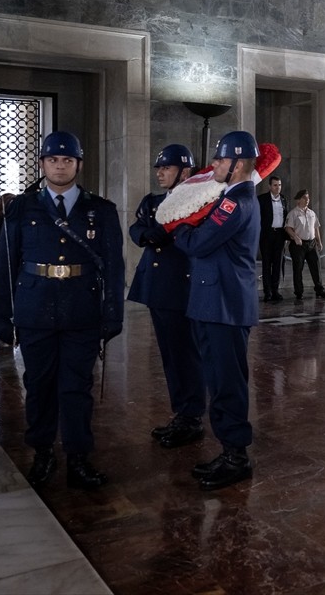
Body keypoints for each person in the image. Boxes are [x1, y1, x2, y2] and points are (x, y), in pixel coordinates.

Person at [0, 131, 125, 490]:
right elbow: (5, 263)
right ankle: (43, 453)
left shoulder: (101, 210)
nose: (60, 166)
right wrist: (1, 316)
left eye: (67, 160)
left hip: (82, 311)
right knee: (38, 385)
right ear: (43, 164)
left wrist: (113, 313)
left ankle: (79, 456)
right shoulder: (20, 208)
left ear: (78, 165)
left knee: (77, 387)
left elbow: (114, 266)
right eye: (53, 160)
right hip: (34, 309)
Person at [171, 130, 261, 490]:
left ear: (238, 164)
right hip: (214, 302)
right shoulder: (228, 198)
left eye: (221, 160)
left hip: (225, 304)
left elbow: (199, 242)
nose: (215, 166)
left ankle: (236, 455)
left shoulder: (234, 204)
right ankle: (229, 449)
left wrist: (177, 227)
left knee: (227, 382)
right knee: (219, 379)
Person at [128, 143, 205, 449]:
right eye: (158, 168)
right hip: (157, 287)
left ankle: (191, 415)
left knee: (185, 354)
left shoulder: (198, 202)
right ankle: (182, 412)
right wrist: (147, 235)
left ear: (185, 171)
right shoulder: (154, 201)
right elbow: (138, 227)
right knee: (170, 355)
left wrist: (162, 232)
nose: (160, 173)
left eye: (166, 168)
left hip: (181, 286)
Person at [285, 189, 325, 301]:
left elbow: (316, 228)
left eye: (308, 198)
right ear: (299, 200)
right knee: (298, 269)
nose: (307, 200)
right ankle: (299, 292)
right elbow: (288, 228)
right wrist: (295, 237)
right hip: (298, 245)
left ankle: (320, 290)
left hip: (311, 244)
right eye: (305, 198)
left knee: (316, 267)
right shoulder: (293, 214)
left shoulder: (312, 213)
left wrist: (319, 242)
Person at [258, 175, 289, 302]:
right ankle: (267, 292)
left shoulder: (283, 199)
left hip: (280, 235)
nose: (278, 188)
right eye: (275, 185)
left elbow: (285, 217)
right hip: (266, 235)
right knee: (266, 264)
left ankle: (275, 290)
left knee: (278, 264)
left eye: (280, 185)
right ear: (270, 186)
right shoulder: (262, 199)